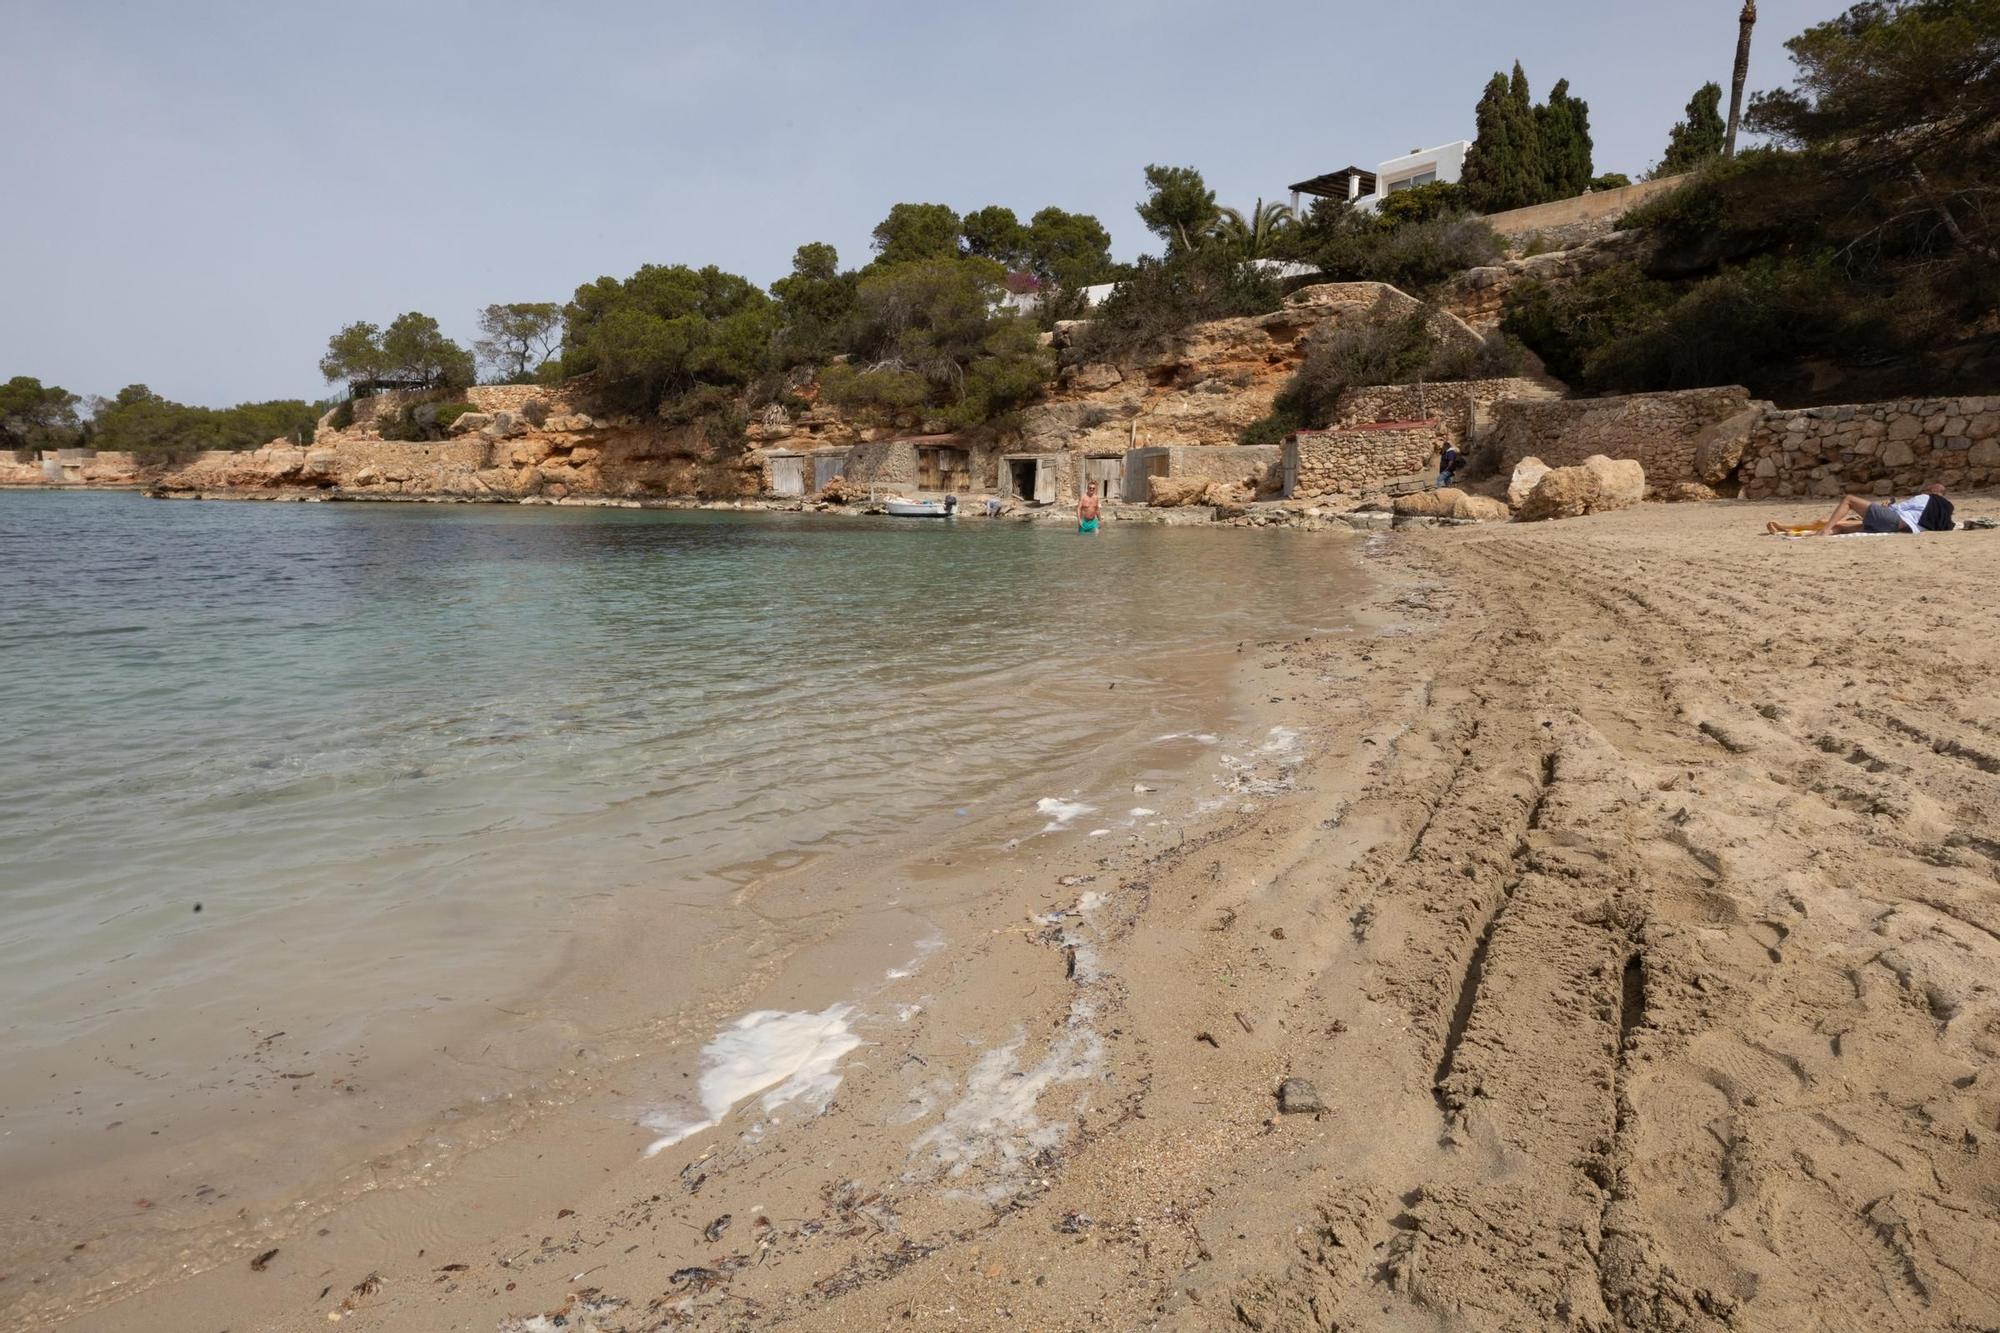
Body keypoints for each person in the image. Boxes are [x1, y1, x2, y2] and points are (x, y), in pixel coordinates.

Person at [1793, 484, 1953, 537]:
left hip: (1893, 520)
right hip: (1901, 528)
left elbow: (1897, 508)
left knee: (1849, 499)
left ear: (1932, 490)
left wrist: (1886, 504)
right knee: (1843, 528)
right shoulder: (1945, 508)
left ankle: (1825, 531)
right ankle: (1816, 533)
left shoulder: (1925, 498)